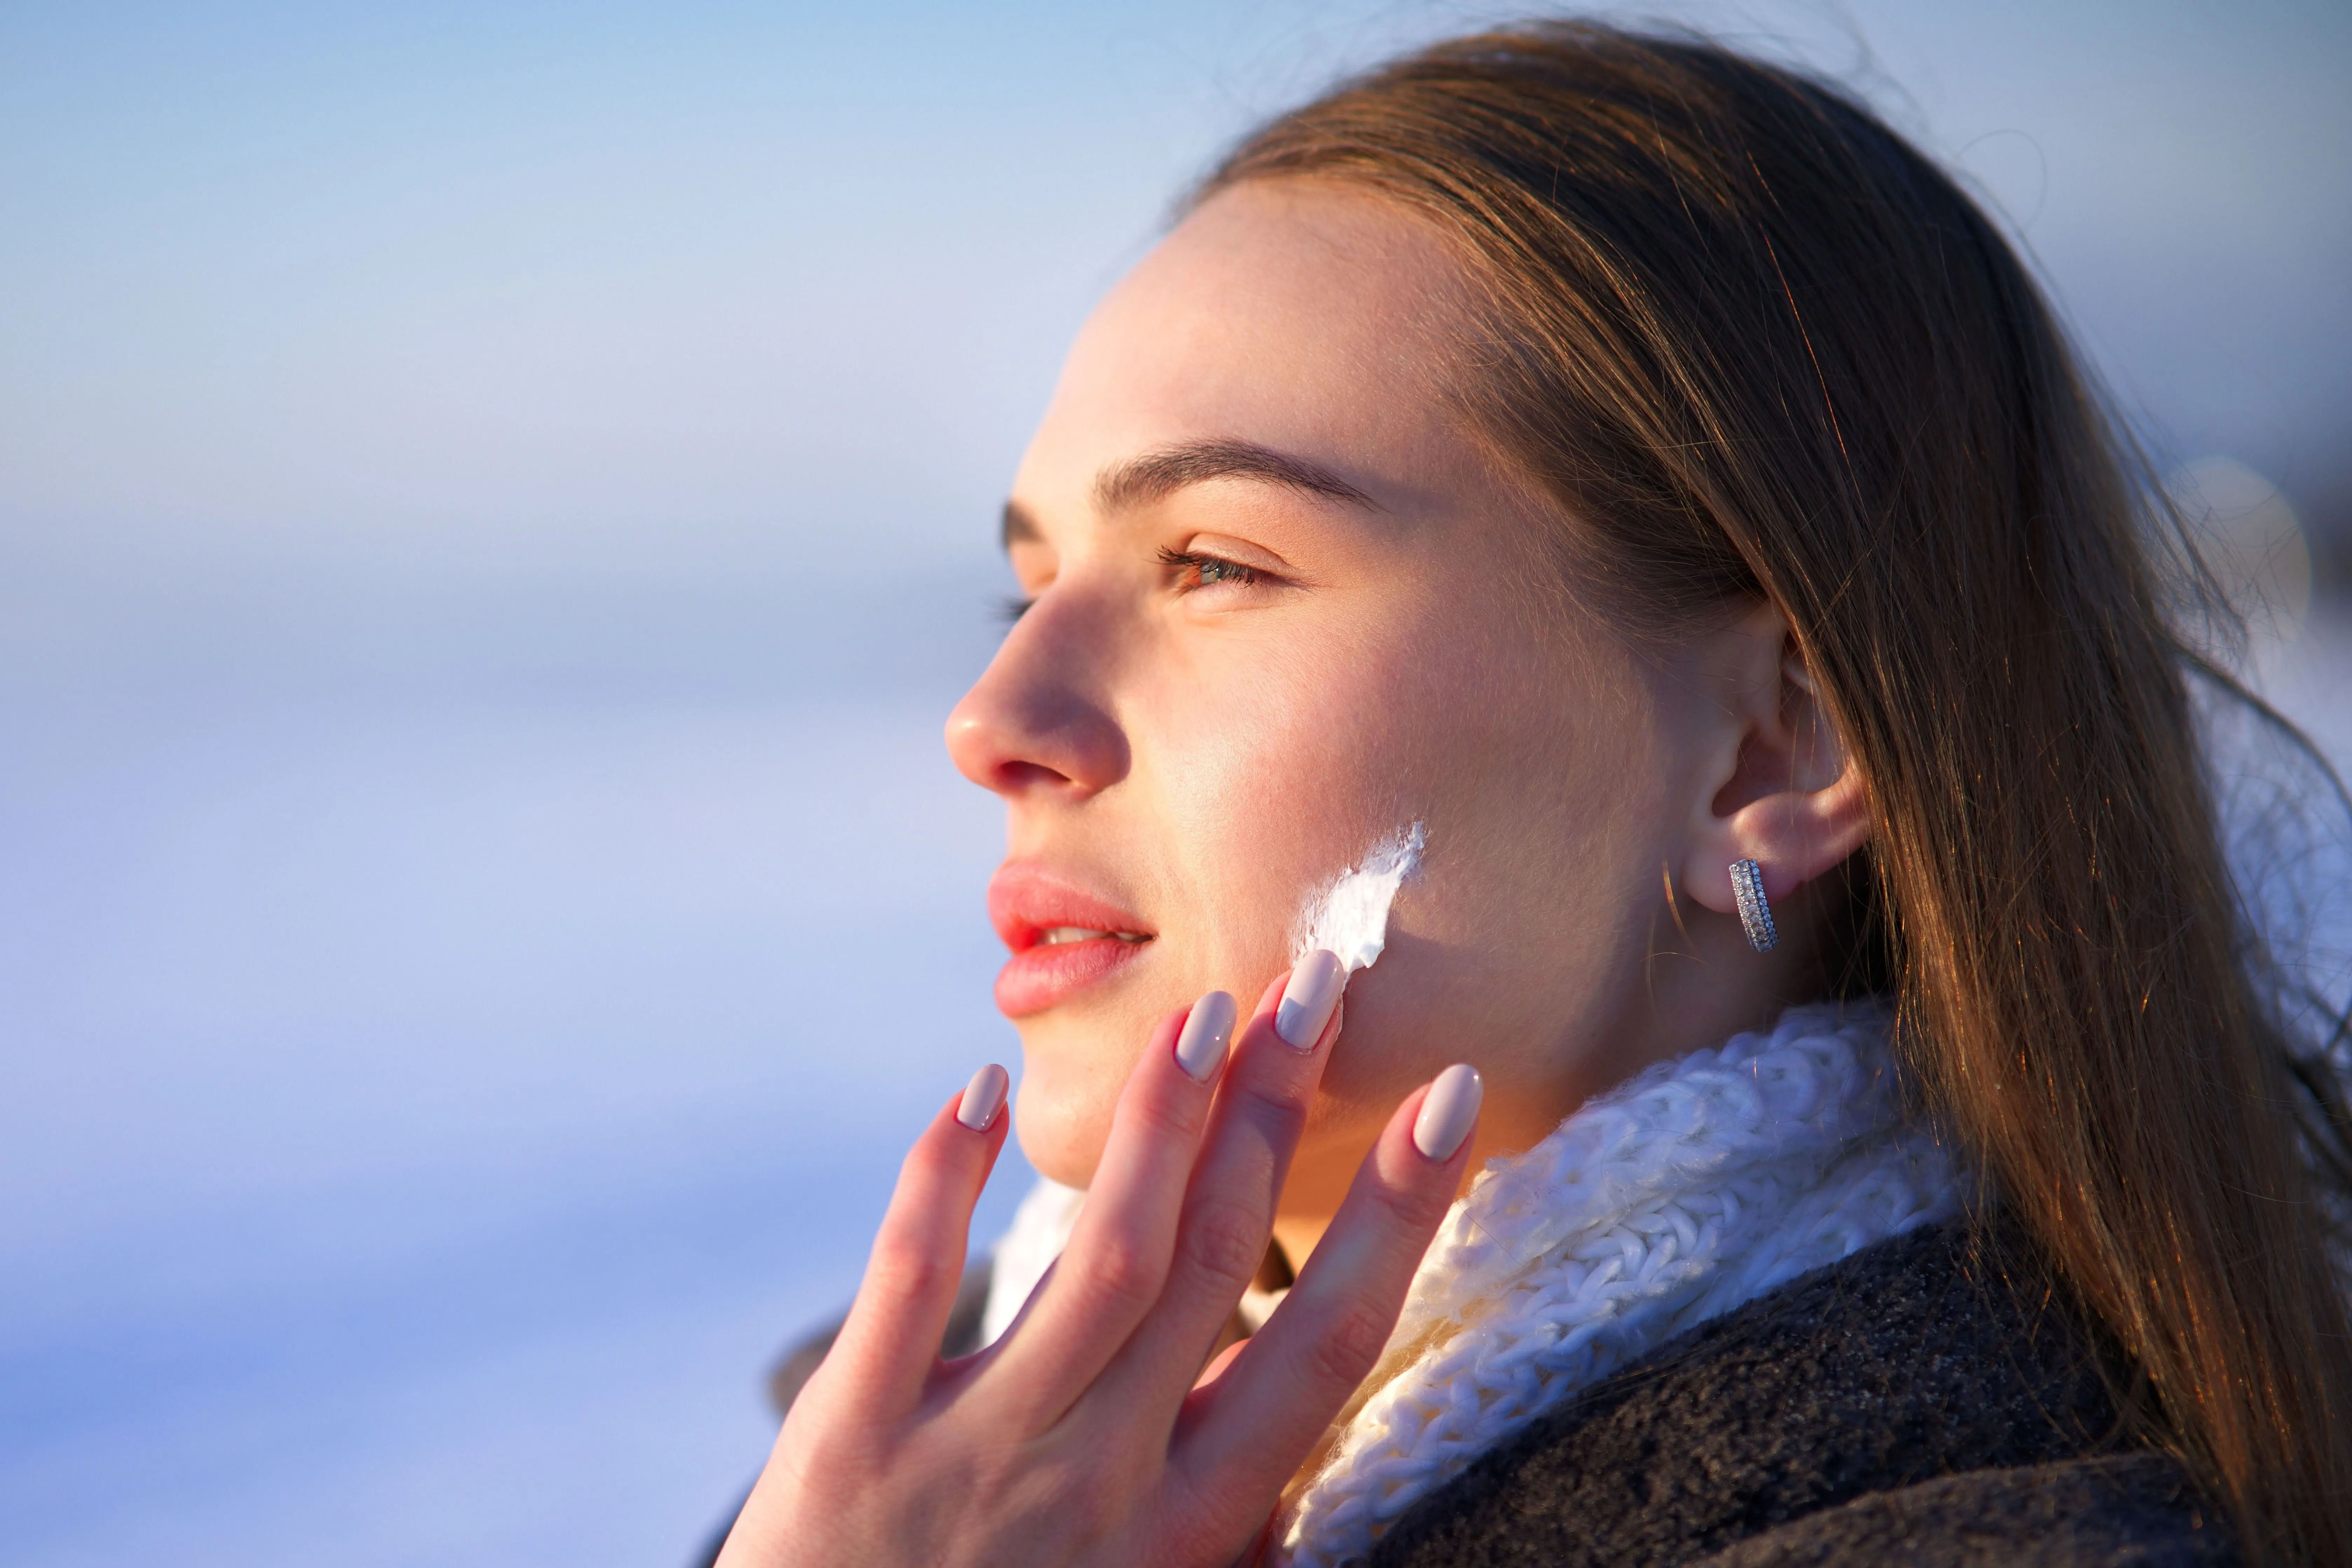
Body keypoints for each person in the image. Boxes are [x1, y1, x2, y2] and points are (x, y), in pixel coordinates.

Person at [706, 21, 2352, 1567]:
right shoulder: (904, 1483)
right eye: (1030, 589)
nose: (993, 719)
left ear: (1768, 753)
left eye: (1213, 561)